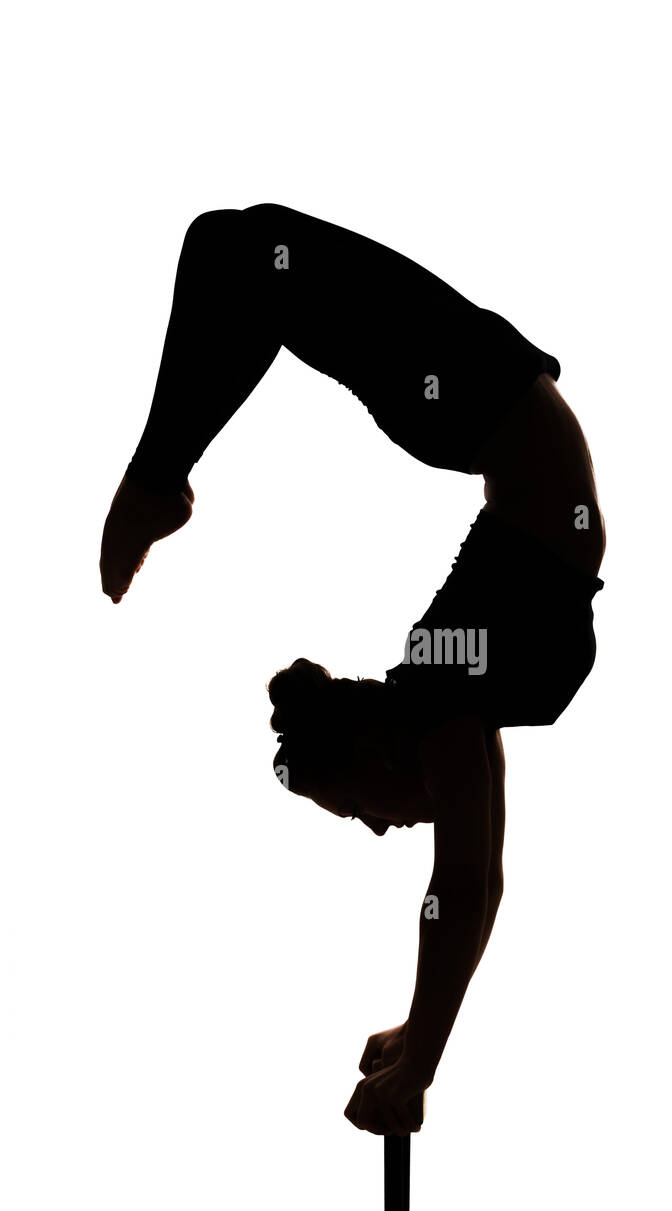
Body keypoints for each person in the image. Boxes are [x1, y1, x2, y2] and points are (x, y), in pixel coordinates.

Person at [100, 204, 606, 1136]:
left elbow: (468, 884)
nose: (378, 827)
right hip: (469, 404)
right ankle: (159, 476)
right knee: (243, 251)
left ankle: (158, 478)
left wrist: (422, 1062)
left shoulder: (443, 697)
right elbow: (471, 878)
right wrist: (418, 1029)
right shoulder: (452, 691)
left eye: (355, 803)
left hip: (467, 399)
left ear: (379, 743)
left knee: (241, 251)